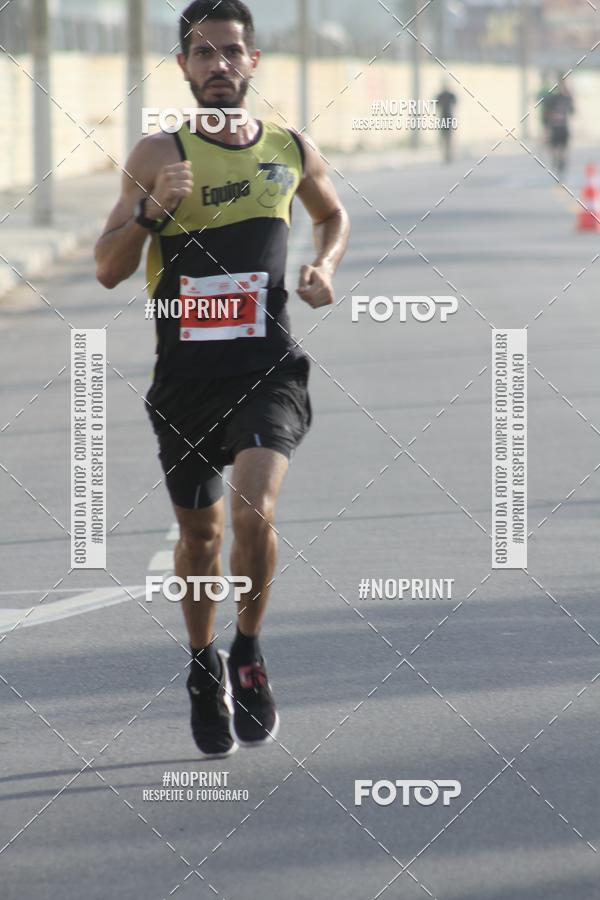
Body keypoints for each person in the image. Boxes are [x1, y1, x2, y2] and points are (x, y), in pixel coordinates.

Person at [94, 0, 350, 758]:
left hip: (268, 368)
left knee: (251, 514)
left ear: (253, 62)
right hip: (183, 381)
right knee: (200, 537)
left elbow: (333, 215)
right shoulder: (154, 154)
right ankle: (203, 665)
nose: (218, 66)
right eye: (202, 54)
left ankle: (247, 648)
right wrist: (150, 212)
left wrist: (324, 265)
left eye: (231, 51)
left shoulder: (289, 148)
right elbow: (107, 271)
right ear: (183, 67)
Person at [542, 79, 575, 178]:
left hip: (559, 128)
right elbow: (572, 111)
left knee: (558, 149)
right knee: (558, 149)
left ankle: (559, 163)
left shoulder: (553, 98)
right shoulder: (565, 98)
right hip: (559, 128)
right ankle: (559, 163)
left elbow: (546, 114)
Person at [435, 82, 457, 164]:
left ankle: (448, 154)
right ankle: (446, 154)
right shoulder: (444, 95)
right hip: (445, 117)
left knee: (447, 137)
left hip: (447, 117)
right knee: (446, 137)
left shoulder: (447, 95)